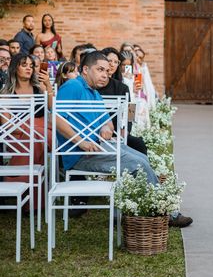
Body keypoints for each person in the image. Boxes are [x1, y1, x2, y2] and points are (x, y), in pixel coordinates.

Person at [55, 51, 192, 227]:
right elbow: (57, 119)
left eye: (107, 71)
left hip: (100, 147)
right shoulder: (73, 86)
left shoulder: (94, 93)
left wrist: (105, 127)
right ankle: (168, 212)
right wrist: (82, 142)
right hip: (79, 154)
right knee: (139, 165)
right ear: (85, 69)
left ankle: (153, 206)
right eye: (100, 69)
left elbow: (108, 124)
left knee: (142, 158)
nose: (105, 74)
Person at [0, 53, 53, 210]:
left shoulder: (39, 88)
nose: (29, 68)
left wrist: (48, 87)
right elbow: (6, 125)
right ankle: (34, 202)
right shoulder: (6, 93)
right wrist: (27, 128)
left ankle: (16, 182)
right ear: (15, 68)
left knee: (36, 138)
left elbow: (53, 109)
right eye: (24, 65)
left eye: (31, 65)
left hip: (44, 130)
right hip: (18, 134)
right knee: (33, 140)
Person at [99, 48, 148, 155]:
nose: (112, 64)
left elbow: (130, 112)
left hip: (118, 132)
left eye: (116, 62)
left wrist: (125, 132)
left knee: (138, 144)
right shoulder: (94, 84)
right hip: (96, 132)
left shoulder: (123, 86)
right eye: (109, 60)